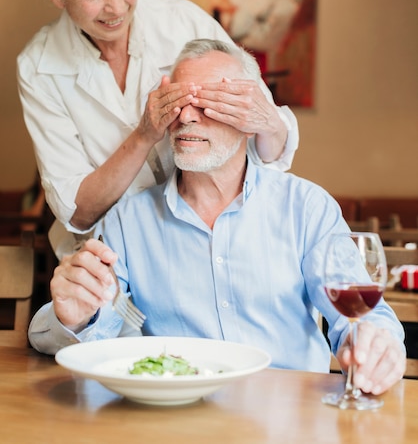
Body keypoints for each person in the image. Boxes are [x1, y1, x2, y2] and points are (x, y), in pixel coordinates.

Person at [28, 39, 406, 395]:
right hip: (176, 422)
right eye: (177, 102)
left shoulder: (305, 208)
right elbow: (100, 329)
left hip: (290, 422)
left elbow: (363, 316)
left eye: (210, 102)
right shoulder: (129, 222)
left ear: (249, 113)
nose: (186, 117)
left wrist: (375, 345)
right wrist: (75, 319)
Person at [17, 0, 299, 259]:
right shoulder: (39, 66)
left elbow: (264, 143)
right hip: (115, 257)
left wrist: (269, 122)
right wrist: (144, 135)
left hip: (212, 240)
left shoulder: (183, 22)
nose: (116, 6)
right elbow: (77, 211)